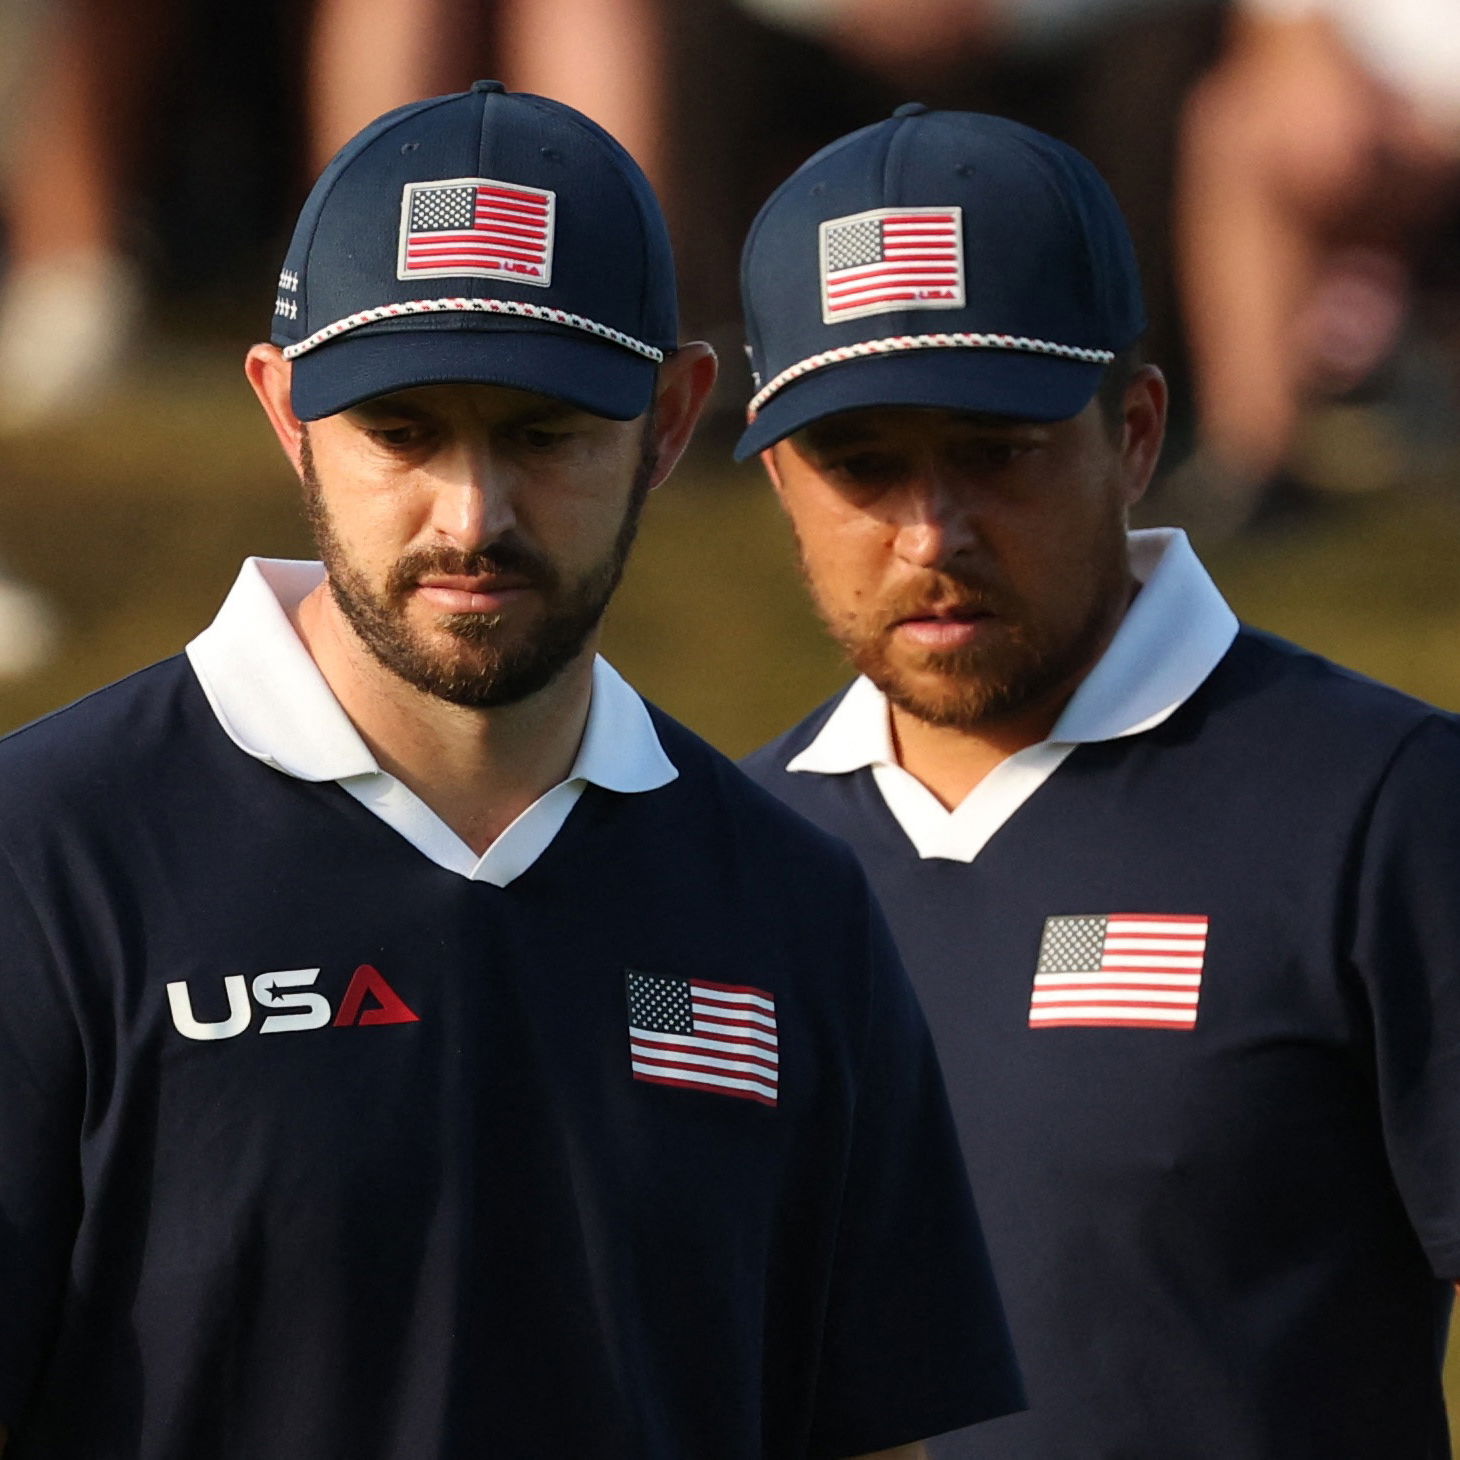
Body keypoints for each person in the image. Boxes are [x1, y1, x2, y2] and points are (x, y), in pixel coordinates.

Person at [0, 84, 1024, 1459]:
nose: (472, 516)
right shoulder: (42, 861)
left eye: (545, 435)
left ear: (671, 421)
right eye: (405, 432)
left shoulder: (793, 909)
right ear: (287, 410)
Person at [736, 104, 1460, 1458]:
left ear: (1133, 432)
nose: (933, 531)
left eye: (996, 451)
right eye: (863, 463)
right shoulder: (716, 857)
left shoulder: (1389, 808)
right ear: (779, 471)